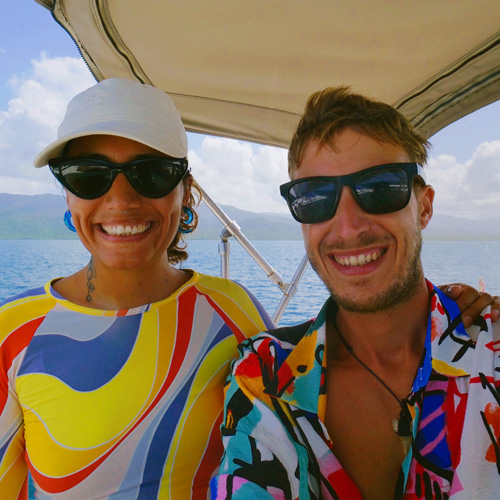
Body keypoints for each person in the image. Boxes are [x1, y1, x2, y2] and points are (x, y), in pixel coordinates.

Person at [0, 79, 494, 500]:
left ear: (185, 192)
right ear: (66, 192)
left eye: (151, 174)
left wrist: (451, 312)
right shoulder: (11, 332)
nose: (121, 199)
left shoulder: (237, 320)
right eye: (88, 176)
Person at [211, 87, 500, 499]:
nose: (348, 227)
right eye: (315, 198)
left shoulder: (490, 354)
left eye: (379, 188)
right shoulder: (265, 376)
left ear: (424, 207)